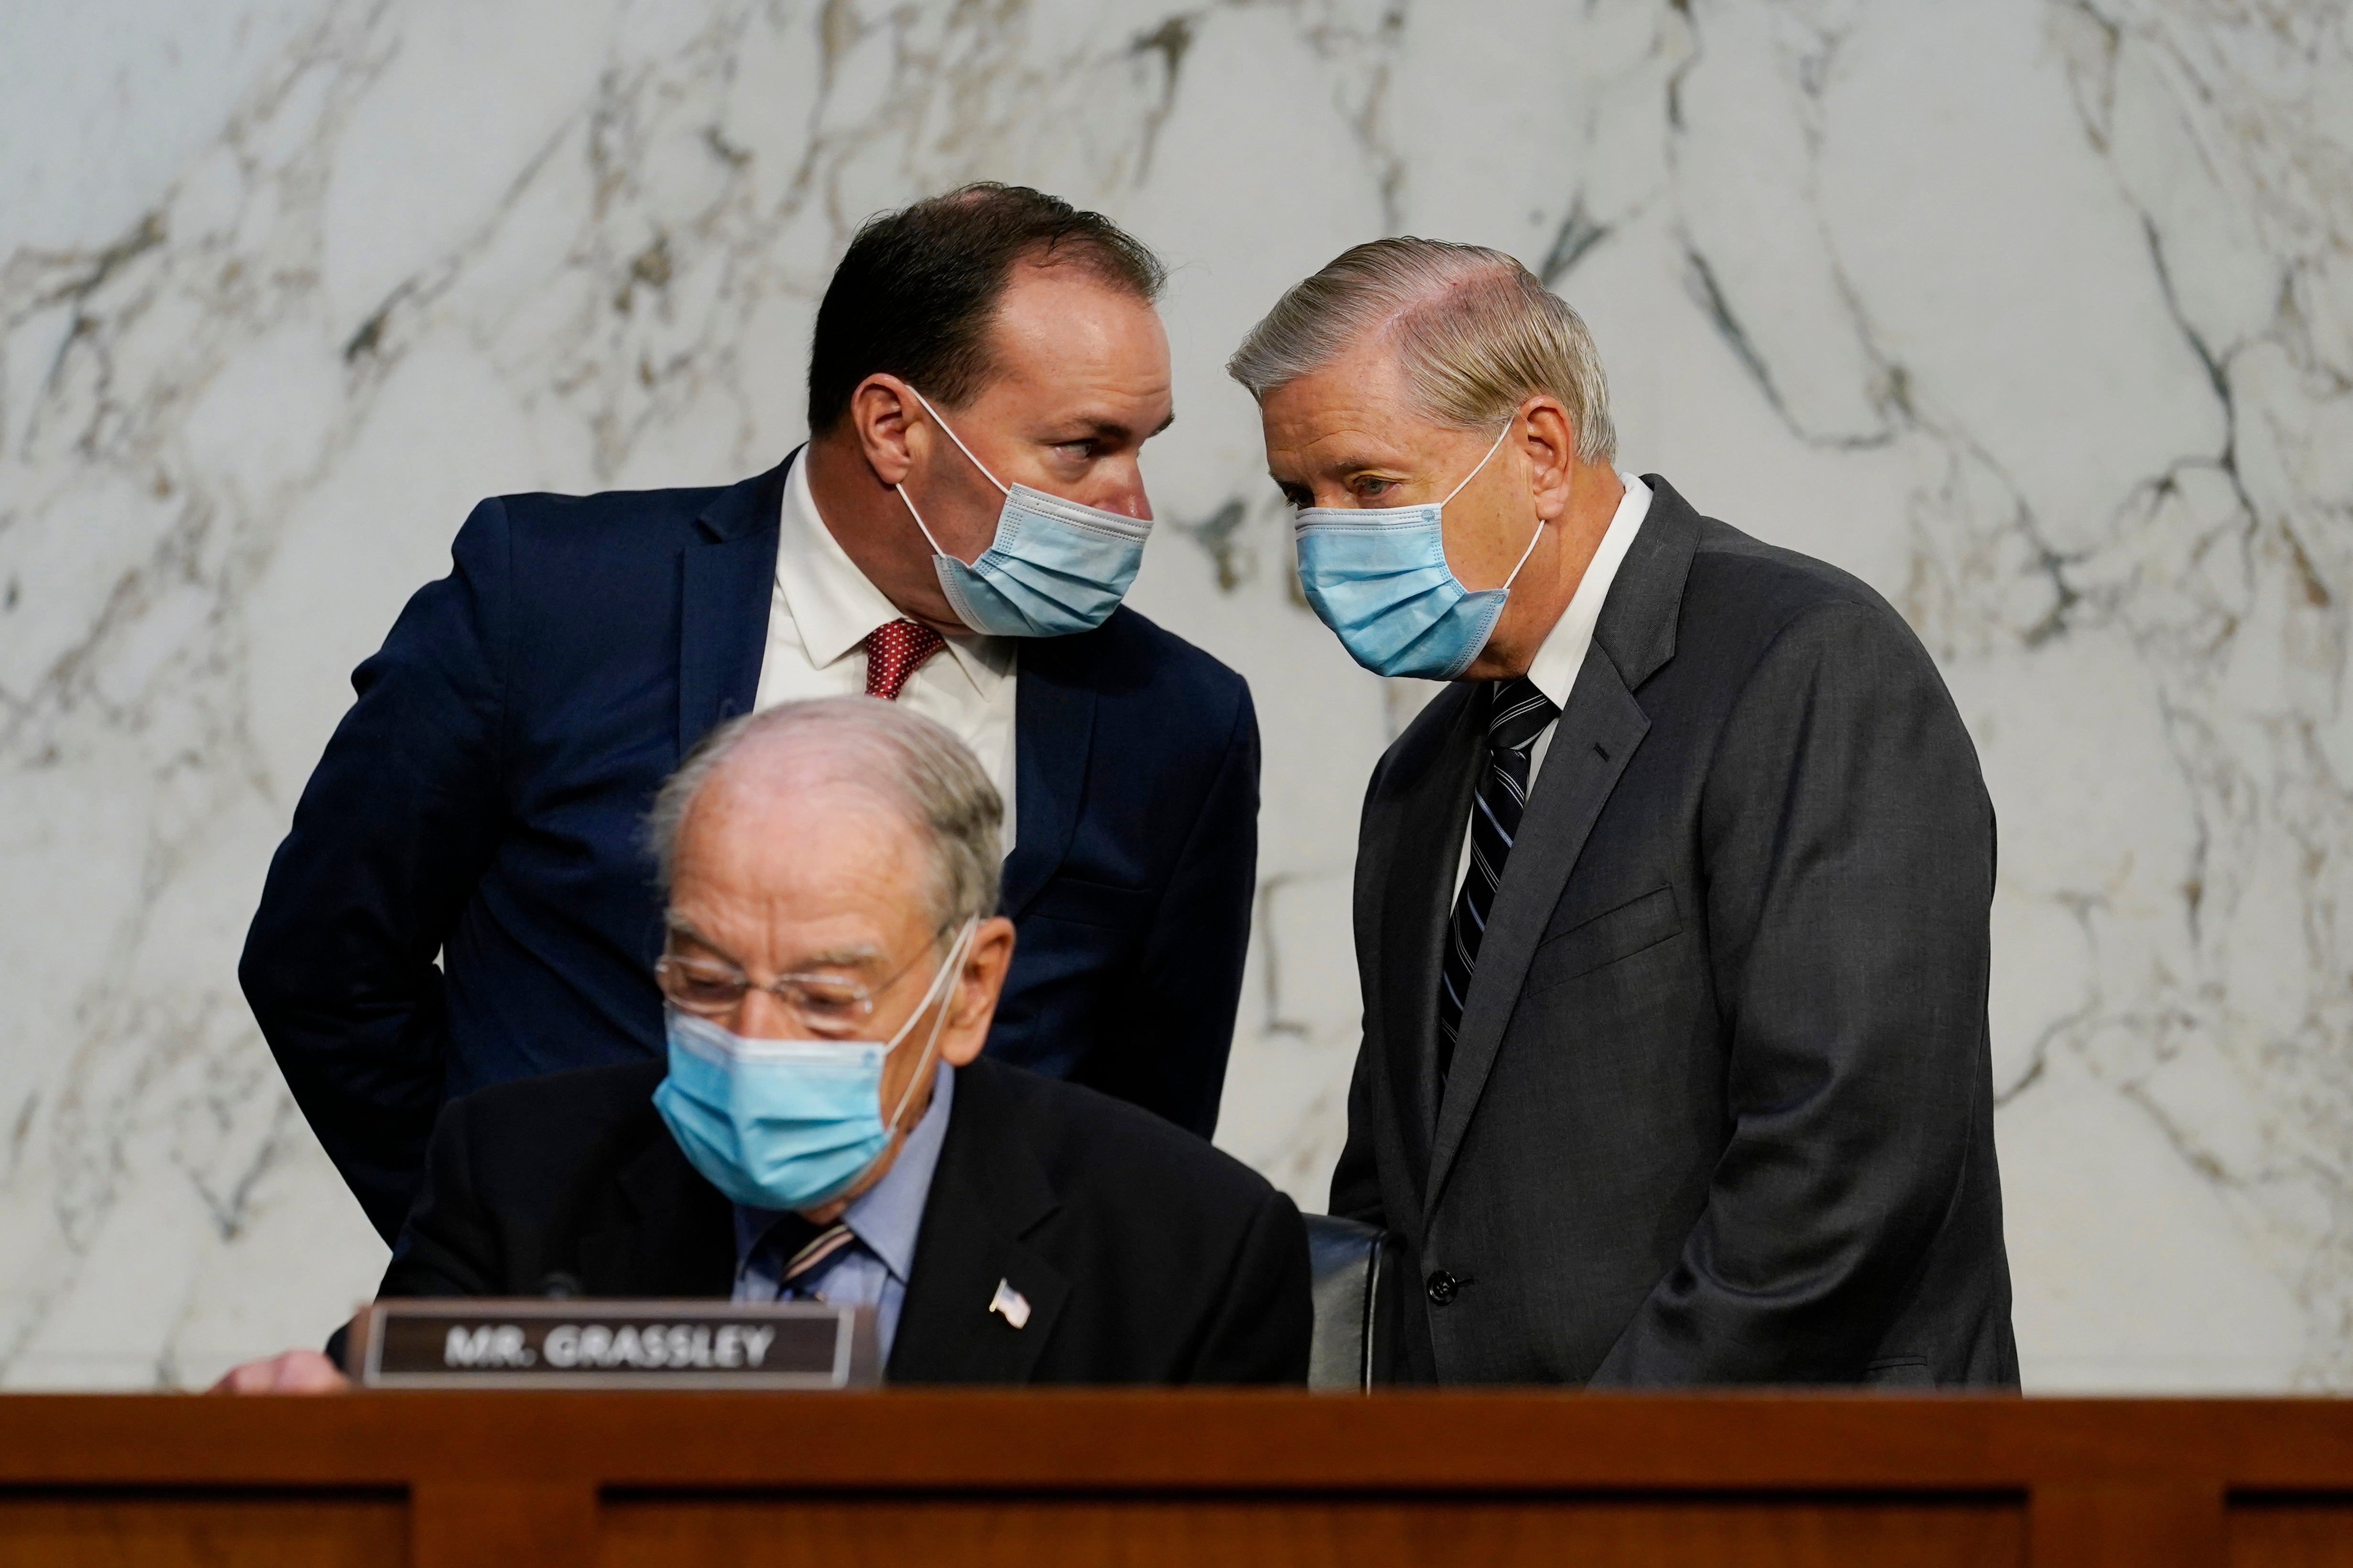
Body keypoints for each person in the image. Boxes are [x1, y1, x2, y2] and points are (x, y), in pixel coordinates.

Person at [241, 185, 1260, 1243]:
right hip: (564, 1351)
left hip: (950, 1380)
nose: (1133, 505)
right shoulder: (548, 604)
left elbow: (1150, 1127)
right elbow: (326, 966)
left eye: (1143, 445)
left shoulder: (1174, 720)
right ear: (893, 427)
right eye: (1081, 447)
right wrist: (490, 1240)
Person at [1227, 238, 2015, 1386]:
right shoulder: (1418, 778)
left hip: (1777, 1502)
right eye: (1300, 496)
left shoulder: (1805, 662)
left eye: (1368, 484)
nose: (1323, 538)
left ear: (1540, 451)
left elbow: (1844, 1158)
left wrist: (1588, 1474)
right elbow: (1402, 1197)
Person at [217, 698, 1310, 1392]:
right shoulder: (520, 1177)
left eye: (825, 997)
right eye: (703, 979)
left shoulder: (1189, 1249)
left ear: (969, 988)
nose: (751, 1039)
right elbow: (408, 1458)